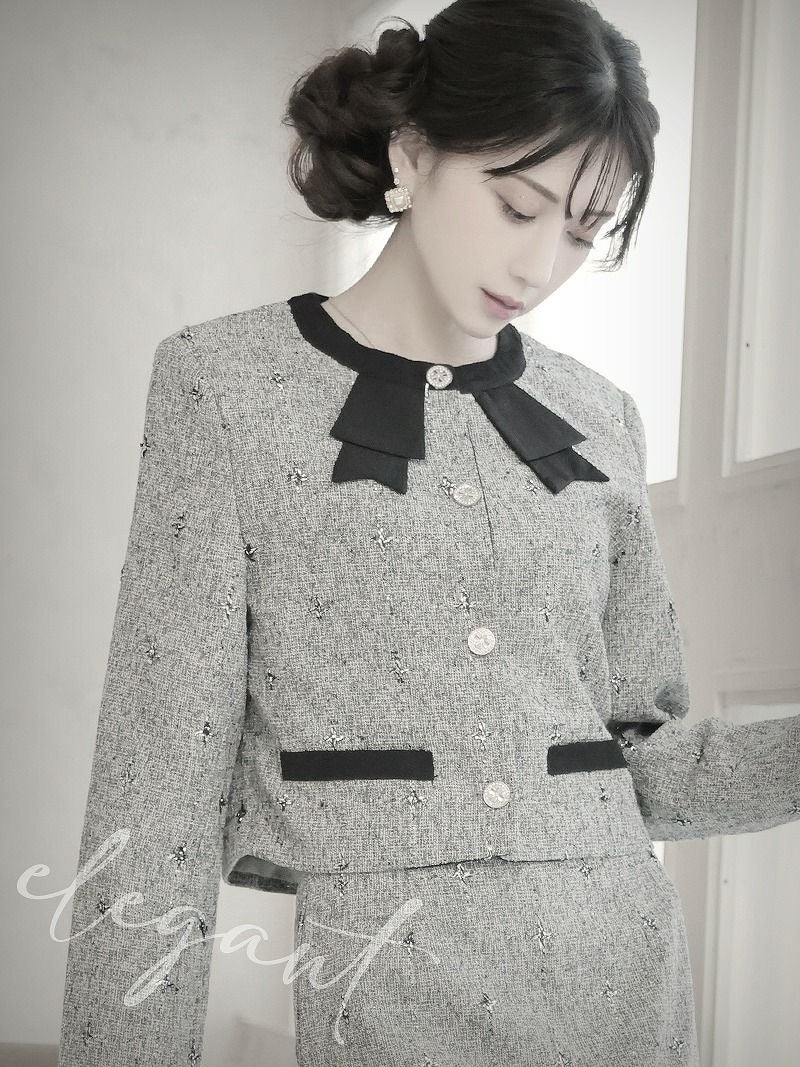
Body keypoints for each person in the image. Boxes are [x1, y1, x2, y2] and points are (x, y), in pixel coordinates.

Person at [57, 2, 800, 1065]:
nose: (540, 265)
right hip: (386, 985)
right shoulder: (223, 386)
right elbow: (155, 785)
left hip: (624, 981)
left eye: (581, 232)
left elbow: (650, 761)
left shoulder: (601, 416)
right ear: (411, 152)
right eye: (516, 205)